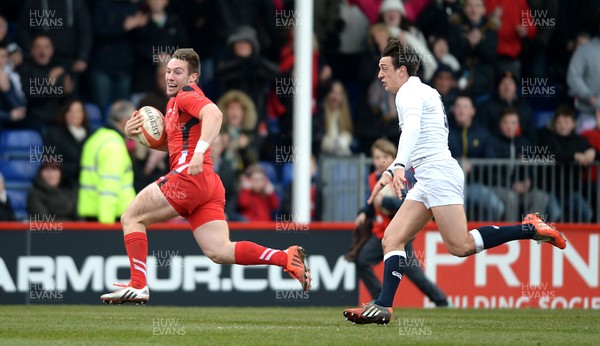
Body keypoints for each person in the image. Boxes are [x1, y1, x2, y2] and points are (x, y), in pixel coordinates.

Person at [343, 39, 565, 325]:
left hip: (437, 173)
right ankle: (384, 306)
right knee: (392, 238)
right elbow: (422, 138)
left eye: (384, 68)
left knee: (459, 245)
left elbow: (411, 130)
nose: (379, 75)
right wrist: (391, 171)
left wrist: (397, 165)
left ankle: (530, 228)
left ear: (403, 70)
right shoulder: (424, 90)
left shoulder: (408, 92)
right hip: (429, 174)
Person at [100, 48, 310, 304]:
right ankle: (285, 257)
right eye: (168, 71)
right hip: (207, 183)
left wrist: (199, 152)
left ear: (193, 78)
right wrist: (137, 137)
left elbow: (215, 114)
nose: (170, 77)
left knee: (131, 217)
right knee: (220, 251)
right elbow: (176, 144)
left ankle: (138, 285)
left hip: (188, 177)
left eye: (178, 72)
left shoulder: (186, 95)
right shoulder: (174, 102)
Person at [347, 138, 449, 306]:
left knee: (414, 274)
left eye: (384, 156)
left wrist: (385, 203)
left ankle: (442, 301)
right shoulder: (373, 178)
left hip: (400, 233)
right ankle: (378, 297)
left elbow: (409, 205)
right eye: (376, 157)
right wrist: (364, 213)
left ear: (394, 157)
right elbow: (372, 202)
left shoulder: (403, 177)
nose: (380, 161)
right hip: (381, 233)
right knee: (361, 260)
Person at [77, 100, 136, 223]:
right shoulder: (114, 145)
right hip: (110, 217)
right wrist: (106, 226)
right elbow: (109, 187)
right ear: (124, 120)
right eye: (134, 120)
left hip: (93, 213)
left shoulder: (96, 138)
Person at [44, 99, 91, 188]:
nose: (74, 114)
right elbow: (52, 162)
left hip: (87, 184)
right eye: (70, 111)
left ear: (84, 114)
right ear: (65, 113)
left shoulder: (91, 135)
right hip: (64, 185)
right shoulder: (54, 134)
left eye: (78, 111)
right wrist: (78, 169)